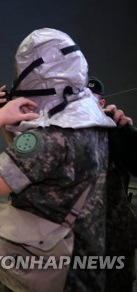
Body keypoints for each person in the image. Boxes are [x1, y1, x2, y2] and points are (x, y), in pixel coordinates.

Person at [0, 28, 115, 291]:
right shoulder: (96, 125)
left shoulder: (51, 139)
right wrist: (8, 126)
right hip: (83, 260)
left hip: (42, 268)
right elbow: (32, 168)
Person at [88, 76, 137, 291]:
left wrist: (129, 135)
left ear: (101, 104)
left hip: (115, 246)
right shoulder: (64, 136)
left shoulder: (116, 132)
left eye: (91, 98)